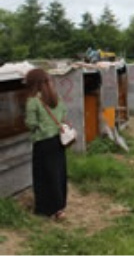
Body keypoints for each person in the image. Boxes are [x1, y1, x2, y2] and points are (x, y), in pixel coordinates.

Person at [24, 68, 69, 220]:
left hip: (42, 143)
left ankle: (45, 209)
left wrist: (40, 126)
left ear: (32, 84)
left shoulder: (33, 101)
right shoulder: (56, 98)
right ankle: (60, 208)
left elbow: (31, 124)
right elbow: (63, 115)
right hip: (58, 141)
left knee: (43, 176)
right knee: (58, 173)